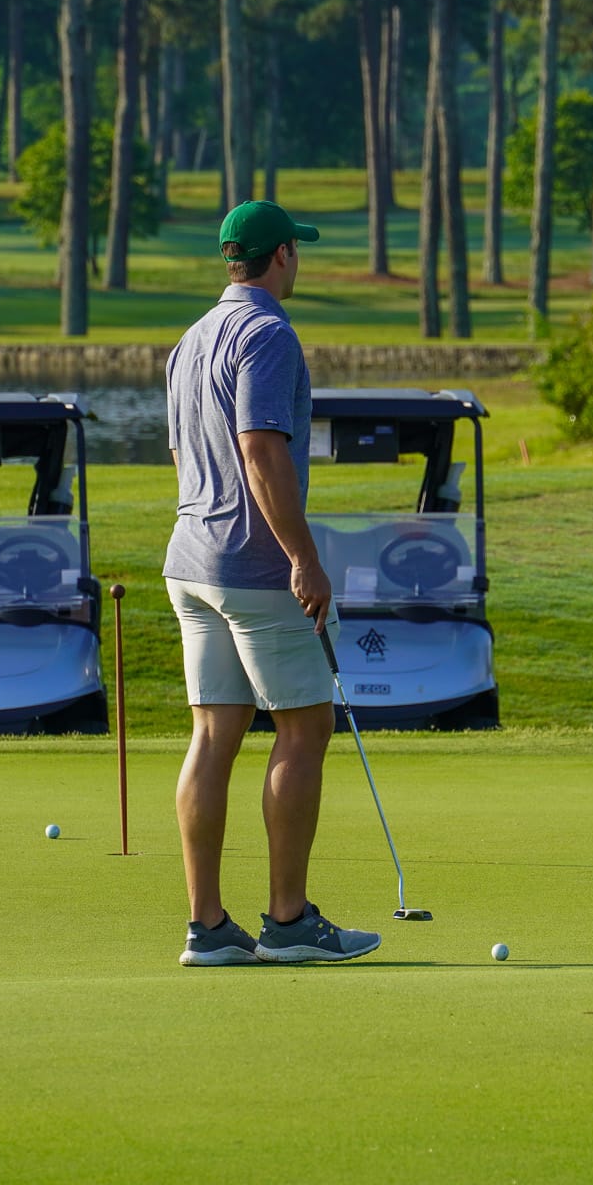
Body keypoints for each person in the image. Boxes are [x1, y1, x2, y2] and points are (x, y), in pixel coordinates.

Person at [163, 199, 381, 967]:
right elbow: (260, 449)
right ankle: (288, 921)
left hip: (191, 561)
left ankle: (207, 926)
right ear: (282, 254)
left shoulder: (191, 339)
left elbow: (185, 455)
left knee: (213, 733)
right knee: (304, 726)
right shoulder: (269, 334)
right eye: (298, 248)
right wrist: (303, 556)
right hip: (256, 569)